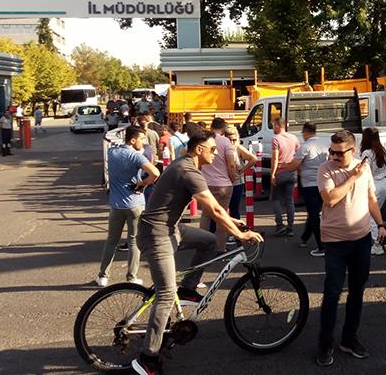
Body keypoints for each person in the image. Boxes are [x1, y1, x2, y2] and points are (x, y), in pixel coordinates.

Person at [132, 131, 263, 375]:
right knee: (165, 293)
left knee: (210, 241)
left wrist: (234, 221)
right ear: (199, 149)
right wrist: (239, 234)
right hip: (156, 234)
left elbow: (215, 207)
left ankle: (188, 289)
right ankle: (147, 357)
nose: (217, 152)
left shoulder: (188, 165)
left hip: (171, 228)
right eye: (213, 149)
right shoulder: (187, 169)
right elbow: (213, 208)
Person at [315, 130, 386, 367]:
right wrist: (352, 177)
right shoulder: (325, 169)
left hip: (361, 239)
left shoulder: (363, 167)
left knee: (357, 292)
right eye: (331, 151)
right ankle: (325, 343)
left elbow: (370, 199)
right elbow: (330, 199)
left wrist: (381, 225)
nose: (333, 156)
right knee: (332, 293)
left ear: (353, 150)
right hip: (335, 242)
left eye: (339, 153)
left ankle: (349, 339)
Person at [95, 126, 160, 287]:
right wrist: (143, 184)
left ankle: (103, 276)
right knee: (133, 241)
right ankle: (131, 277)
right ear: (133, 140)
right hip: (136, 203)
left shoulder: (112, 152)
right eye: (142, 139)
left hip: (116, 205)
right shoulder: (136, 157)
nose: (144, 143)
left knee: (111, 240)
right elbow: (155, 173)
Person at [285, 122, 328, 256]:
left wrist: (284, 166)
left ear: (305, 132)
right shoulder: (324, 143)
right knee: (313, 212)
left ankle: (321, 246)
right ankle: (305, 237)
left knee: (314, 214)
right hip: (323, 183)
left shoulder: (306, 146)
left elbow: (294, 165)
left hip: (310, 184)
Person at [201, 118, 239, 253]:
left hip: (205, 183)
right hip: (223, 184)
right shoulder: (225, 142)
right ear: (223, 129)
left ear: (211, 127)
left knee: (206, 215)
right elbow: (231, 163)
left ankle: (202, 245)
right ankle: (220, 247)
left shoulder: (203, 140)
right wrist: (232, 177)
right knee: (221, 216)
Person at [360, 127, 386, 255]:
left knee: (371, 217)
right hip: (384, 184)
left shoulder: (367, 153)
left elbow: (364, 171)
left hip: (373, 185)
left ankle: (377, 244)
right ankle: (385, 238)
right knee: (378, 214)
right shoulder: (383, 151)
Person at [270, 117, 300, 236]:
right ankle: (291, 227)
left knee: (275, 198)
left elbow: (275, 158)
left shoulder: (275, 139)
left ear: (278, 125)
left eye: (273, 125)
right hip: (292, 172)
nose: (273, 127)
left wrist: (272, 174)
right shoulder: (293, 137)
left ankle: (279, 225)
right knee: (289, 200)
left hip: (280, 172)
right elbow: (297, 151)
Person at [223, 124, 257, 227]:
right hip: (223, 183)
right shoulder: (221, 147)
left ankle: (236, 235)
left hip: (237, 183)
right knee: (222, 210)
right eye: (229, 140)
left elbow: (253, 159)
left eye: (234, 139)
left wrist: (242, 171)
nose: (232, 142)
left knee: (234, 210)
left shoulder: (238, 148)